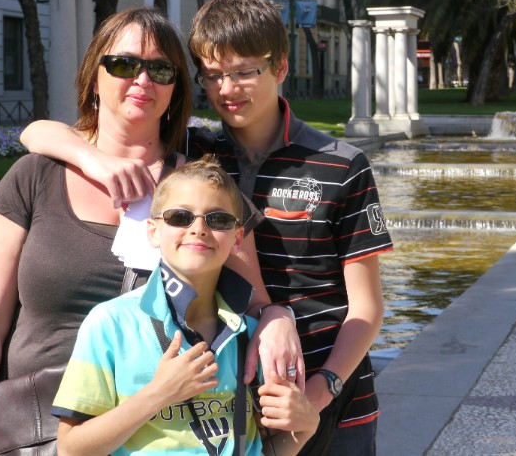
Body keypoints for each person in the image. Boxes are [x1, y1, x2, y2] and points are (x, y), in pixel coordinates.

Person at [20, 0, 394, 455]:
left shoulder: (341, 164)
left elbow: (367, 309)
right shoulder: (196, 156)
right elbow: (37, 132)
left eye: (244, 72)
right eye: (213, 75)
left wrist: (316, 398)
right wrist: (92, 161)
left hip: (334, 401)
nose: (227, 89)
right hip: (236, 406)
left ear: (280, 67)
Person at [0, 7, 300, 456]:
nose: (142, 80)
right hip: (37, 432)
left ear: (175, 89)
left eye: (161, 70)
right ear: (94, 78)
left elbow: (254, 302)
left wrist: (278, 318)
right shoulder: (34, 177)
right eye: (123, 64)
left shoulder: (203, 191)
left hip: (164, 435)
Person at [52, 155, 318, 456]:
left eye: (218, 220)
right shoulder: (111, 324)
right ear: (153, 231)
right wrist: (158, 394)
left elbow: (265, 449)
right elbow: (71, 449)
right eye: (180, 217)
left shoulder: (255, 336)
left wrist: (307, 427)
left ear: (237, 238)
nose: (199, 228)